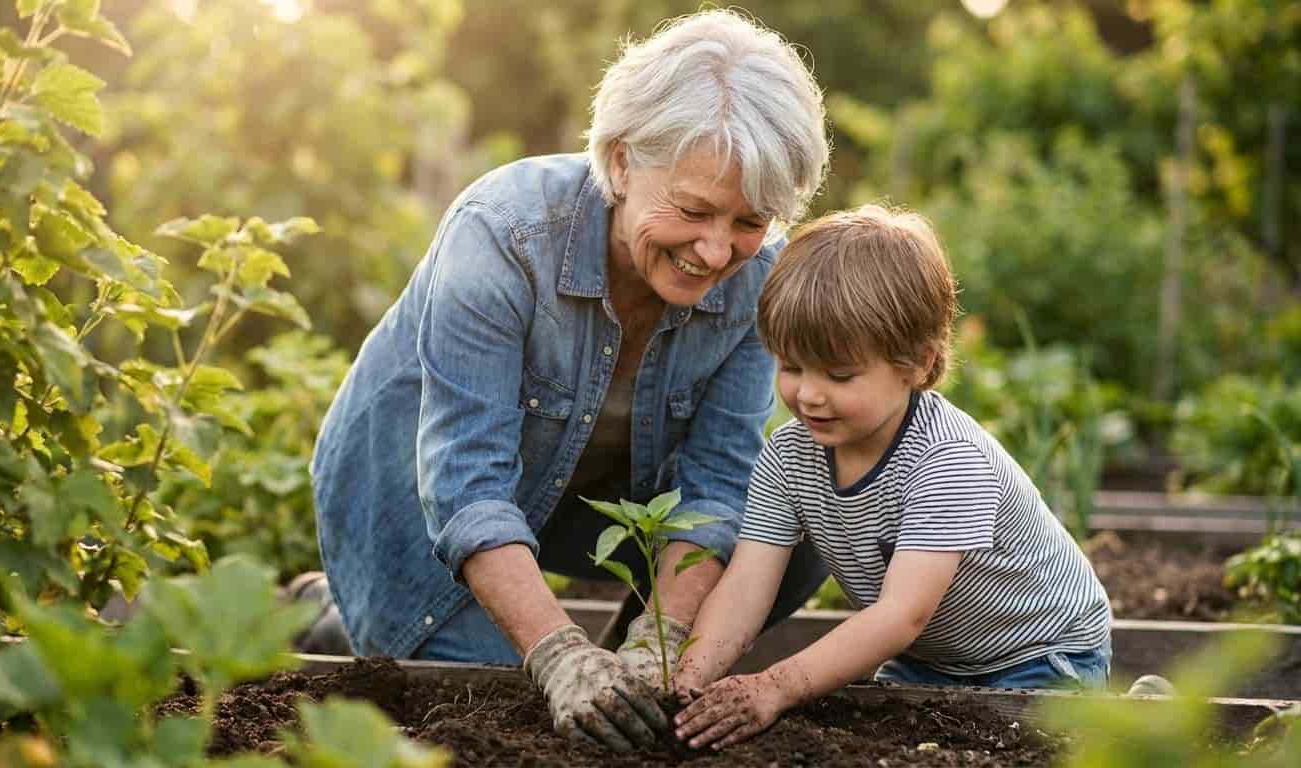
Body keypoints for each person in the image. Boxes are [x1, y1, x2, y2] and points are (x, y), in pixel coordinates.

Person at [307, 9, 831, 752]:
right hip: (415, 503)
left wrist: (660, 644)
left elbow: (718, 484)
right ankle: (335, 611)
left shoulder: (757, 281)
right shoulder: (503, 237)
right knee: (500, 710)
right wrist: (555, 655)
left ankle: (619, 665)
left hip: (586, 500)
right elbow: (466, 485)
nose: (717, 251)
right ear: (620, 163)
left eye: (750, 220)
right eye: (692, 210)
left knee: (807, 504)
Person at [671, 205, 1114, 751]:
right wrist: (690, 680)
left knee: (1010, 750)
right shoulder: (789, 456)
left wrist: (775, 686)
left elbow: (903, 614)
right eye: (790, 367)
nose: (808, 394)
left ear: (917, 364)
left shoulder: (945, 460)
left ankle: (1135, 712)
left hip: (1037, 655)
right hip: (928, 660)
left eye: (838, 375)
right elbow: (744, 587)